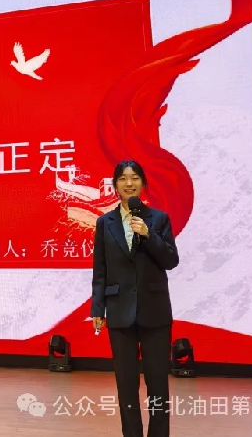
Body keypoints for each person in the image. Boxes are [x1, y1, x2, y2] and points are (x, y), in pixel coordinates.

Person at [91, 160, 179, 437]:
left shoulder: (159, 219)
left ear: (143, 183)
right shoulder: (105, 223)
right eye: (123, 178)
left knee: (157, 383)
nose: (129, 183)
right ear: (115, 185)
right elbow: (100, 269)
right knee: (126, 384)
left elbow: (171, 260)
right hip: (119, 311)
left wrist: (148, 235)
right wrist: (98, 308)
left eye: (135, 178)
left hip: (155, 312)